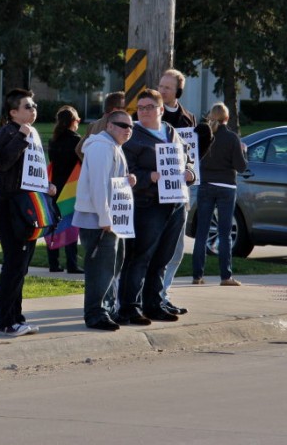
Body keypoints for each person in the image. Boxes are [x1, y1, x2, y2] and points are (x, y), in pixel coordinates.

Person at [118, 89, 195, 325]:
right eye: (140, 108)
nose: (144, 112)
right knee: (140, 256)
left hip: (175, 204)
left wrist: (190, 171)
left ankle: (154, 303)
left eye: (149, 107)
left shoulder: (171, 132)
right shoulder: (133, 137)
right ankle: (130, 307)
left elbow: (187, 158)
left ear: (161, 110)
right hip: (148, 204)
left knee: (163, 257)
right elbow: (125, 170)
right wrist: (148, 176)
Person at [0, 88, 56, 337]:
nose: (34, 110)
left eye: (34, 105)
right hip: (9, 207)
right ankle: (6, 321)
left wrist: (46, 185)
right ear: (13, 112)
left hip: (29, 205)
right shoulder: (6, 133)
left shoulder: (34, 134)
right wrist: (21, 136)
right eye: (27, 106)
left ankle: (16, 317)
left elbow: (33, 170)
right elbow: (2, 163)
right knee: (14, 263)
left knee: (22, 265)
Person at [74, 110, 136, 330]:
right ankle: (96, 314)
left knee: (112, 266)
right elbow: (98, 185)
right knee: (101, 268)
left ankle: (108, 310)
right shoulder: (101, 147)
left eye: (131, 127)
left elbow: (109, 181)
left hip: (110, 218)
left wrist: (127, 179)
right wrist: (104, 216)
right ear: (109, 126)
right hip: (98, 219)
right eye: (123, 125)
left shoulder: (114, 147)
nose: (128, 130)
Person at [192, 102, 248, 287]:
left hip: (206, 185)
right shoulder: (232, 138)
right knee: (224, 234)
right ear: (227, 118)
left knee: (202, 232)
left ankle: (197, 276)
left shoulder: (202, 136)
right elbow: (241, 167)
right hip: (226, 188)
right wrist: (243, 151)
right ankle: (225, 277)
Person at [158, 69, 196, 316]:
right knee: (154, 248)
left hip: (179, 193)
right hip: (154, 195)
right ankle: (149, 295)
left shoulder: (188, 119)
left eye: (167, 88)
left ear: (178, 92)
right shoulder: (149, 115)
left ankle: (163, 293)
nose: (162, 91)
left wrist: (192, 170)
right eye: (160, 86)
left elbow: (190, 157)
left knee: (176, 249)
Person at [47, 105, 84, 273]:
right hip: (71, 188)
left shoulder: (53, 140)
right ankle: (72, 264)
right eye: (77, 120)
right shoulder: (77, 141)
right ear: (72, 122)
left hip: (54, 186)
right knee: (70, 225)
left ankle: (53, 264)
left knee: (54, 225)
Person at [75, 91, 125, 160]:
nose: (127, 111)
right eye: (125, 108)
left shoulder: (93, 125)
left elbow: (79, 149)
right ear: (115, 110)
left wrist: (90, 164)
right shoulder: (116, 127)